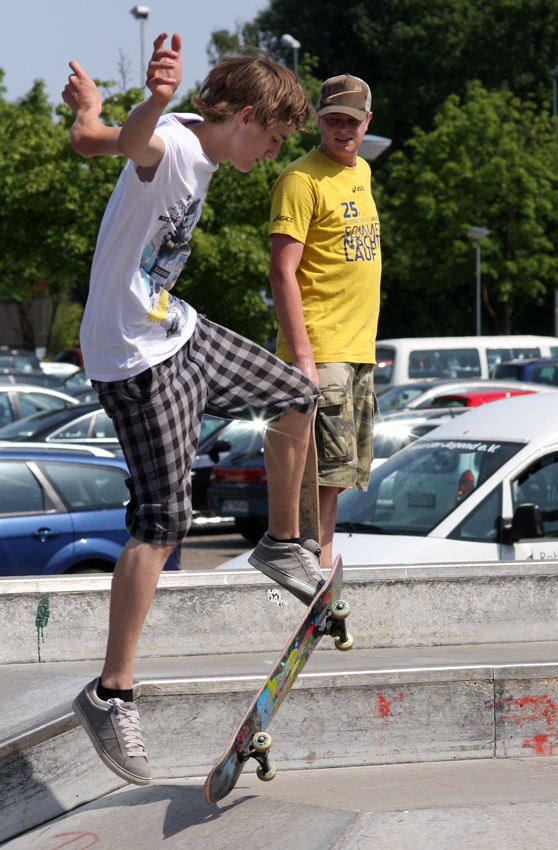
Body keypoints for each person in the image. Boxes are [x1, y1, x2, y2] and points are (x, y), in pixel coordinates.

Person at [62, 32, 325, 788]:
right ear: (245, 116)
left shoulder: (197, 154)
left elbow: (90, 141)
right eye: (271, 140)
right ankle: (111, 693)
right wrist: (152, 101)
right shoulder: (173, 146)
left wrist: (93, 109)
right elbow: (132, 147)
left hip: (176, 328)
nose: (269, 156)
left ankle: (280, 542)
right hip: (132, 358)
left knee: (298, 393)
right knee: (163, 522)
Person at [268, 74, 382, 567]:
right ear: (318, 120)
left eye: (352, 122)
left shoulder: (362, 174)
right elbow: (281, 271)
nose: (342, 130)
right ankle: (304, 565)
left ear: (367, 123)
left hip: (358, 352)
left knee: (337, 479)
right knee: (319, 479)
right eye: (333, 120)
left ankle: (317, 568)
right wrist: (304, 359)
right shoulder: (300, 180)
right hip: (322, 350)